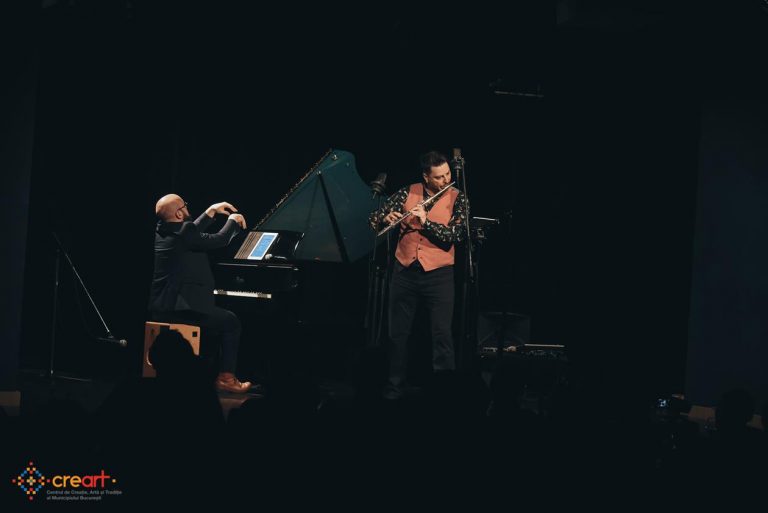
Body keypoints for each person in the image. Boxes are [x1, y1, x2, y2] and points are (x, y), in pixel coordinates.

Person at [368, 151, 468, 399]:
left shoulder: (458, 197)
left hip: (439, 274)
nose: (446, 180)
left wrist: (426, 222)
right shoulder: (407, 192)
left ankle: (444, 391)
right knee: (398, 334)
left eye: (447, 174)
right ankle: (395, 387)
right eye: (439, 177)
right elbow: (374, 218)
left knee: (441, 334)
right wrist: (385, 217)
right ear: (426, 177)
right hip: (404, 271)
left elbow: (456, 235)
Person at [148, 194, 253, 393]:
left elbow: (190, 233)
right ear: (179, 214)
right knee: (231, 322)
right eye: (184, 206)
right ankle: (226, 378)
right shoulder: (184, 233)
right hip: (180, 309)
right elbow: (220, 240)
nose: (187, 208)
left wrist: (210, 211)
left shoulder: (164, 229)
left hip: (163, 306)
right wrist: (232, 221)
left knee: (217, 322)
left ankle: (206, 374)